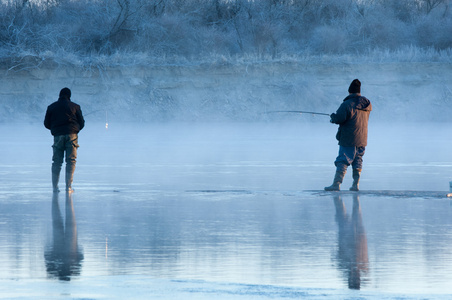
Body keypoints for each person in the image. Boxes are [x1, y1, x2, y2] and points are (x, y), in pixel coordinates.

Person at [325, 79, 372, 191]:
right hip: (362, 138)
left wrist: (333, 117)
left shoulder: (347, 104)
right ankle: (356, 185)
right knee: (358, 160)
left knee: (343, 160)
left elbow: (339, 118)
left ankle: (336, 184)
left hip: (349, 138)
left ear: (350, 91)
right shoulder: (367, 105)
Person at [44, 88, 85, 193]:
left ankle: (55, 187)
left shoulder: (51, 107)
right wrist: (75, 129)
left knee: (57, 162)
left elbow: (46, 124)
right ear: (69, 96)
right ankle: (69, 187)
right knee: (71, 161)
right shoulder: (75, 107)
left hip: (57, 136)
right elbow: (82, 123)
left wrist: (56, 129)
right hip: (72, 135)